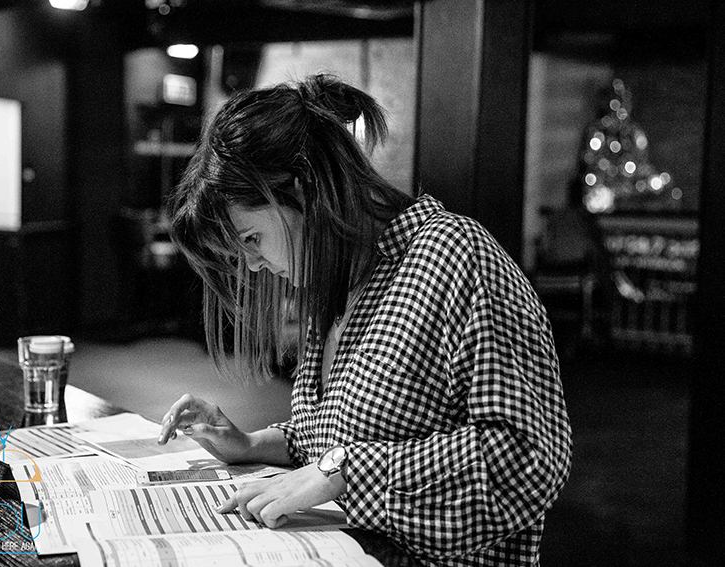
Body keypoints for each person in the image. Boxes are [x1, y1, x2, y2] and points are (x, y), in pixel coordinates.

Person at [159, 73, 572, 566]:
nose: (252, 265)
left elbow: (528, 459)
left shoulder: (454, 257)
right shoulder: (337, 284)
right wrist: (251, 444)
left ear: (307, 190)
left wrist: (344, 471)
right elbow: (334, 437)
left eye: (251, 239)